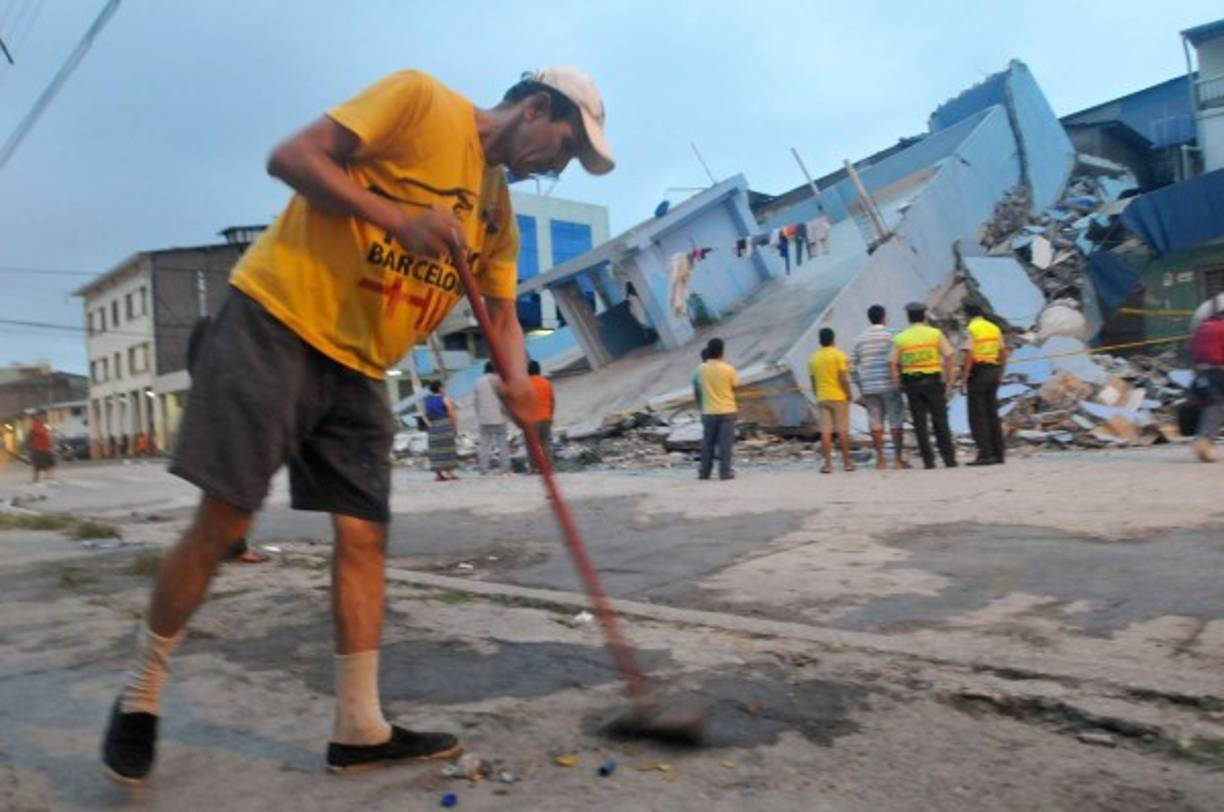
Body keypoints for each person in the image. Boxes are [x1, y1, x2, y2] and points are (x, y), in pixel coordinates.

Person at [102, 65, 614, 783]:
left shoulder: (495, 209)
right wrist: (399, 219)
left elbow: (499, 313)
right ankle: (142, 693)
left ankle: (358, 728)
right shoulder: (419, 102)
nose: (559, 166)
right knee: (224, 519)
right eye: (564, 147)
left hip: (361, 363)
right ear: (535, 108)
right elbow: (292, 158)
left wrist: (521, 380)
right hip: (277, 323)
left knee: (365, 534)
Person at [890, 303, 958, 470]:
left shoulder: (901, 337)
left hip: (912, 384)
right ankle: (949, 459)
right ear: (924, 316)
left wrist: (897, 383)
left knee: (920, 424)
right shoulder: (934, 334)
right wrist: (949, 380)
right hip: (934, 382)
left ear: (908, 317)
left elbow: (892, 363)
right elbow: (949, 356)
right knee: (940, 421)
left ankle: (929, 461)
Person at [853, 304, 908, 470]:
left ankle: (880, 460)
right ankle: (898, 460)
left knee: (875, 423)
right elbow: (901, 359)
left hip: (869, 387)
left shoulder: (860, 339)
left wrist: (860, 385)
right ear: (884, 317)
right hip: (890, 385)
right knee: (896, 421)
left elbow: (851, 366)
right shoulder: (893, 335)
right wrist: (900, 380)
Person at [960, 303, 1008, 466]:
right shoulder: (994, 328)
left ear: (968, 315)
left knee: (977, 415)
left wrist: (964, 378)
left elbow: (969, 355)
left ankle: (985, 454)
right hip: (993, 371)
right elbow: (1003, 352)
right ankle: (998, 453)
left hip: (978, 372)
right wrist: (1001, 372)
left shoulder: (972, 329)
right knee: (992, 413)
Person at [808, 328, 855, 474]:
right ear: (833, 339)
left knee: (826, 432)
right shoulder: (839, 355)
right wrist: (849, 394)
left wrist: (818, 395)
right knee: (842, 430)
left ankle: (827, 464)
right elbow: (843, 378)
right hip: (839, 397)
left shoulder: (813, 359)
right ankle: (847, 463)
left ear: (820, 341)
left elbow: (813, 381)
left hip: (823, 397)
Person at [697, 337, 738, 480]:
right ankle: (724, 472)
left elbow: (698, 387)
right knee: (725, 445)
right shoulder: (729, 369)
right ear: (722, 351)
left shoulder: (701, 369)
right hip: (727, 410)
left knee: (708, 443)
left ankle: (704, 472)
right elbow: (734, 387)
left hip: (709, 412)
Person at [1190, 294, 1224, 463]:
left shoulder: (1206, 307)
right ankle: (1204, 440)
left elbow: (1192, 338)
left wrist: (1196, 371)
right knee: (1218, 405)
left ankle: (1204, 440)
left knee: (1215, 404)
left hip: (1205, 367)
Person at [473, 362, 511, 474]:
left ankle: (483, 468)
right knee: (502, 443)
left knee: (484, 444)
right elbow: (505, 399)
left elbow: (476, 401)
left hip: (484, 419)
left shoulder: (478, 382)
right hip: (500, 417)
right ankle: (505, 467)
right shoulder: (500, 381)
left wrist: (480, 414)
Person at [423, 382, 459, 480]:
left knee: (435, 451)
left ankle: (438, 474)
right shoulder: (444, 398)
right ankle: (449, 473)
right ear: (439, 388)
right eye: (442, 387)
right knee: (447, 448)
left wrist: (429, 425)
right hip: (444, 425)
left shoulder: (427, 400)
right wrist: (455, 427)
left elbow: (425, 415)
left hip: (433, 427)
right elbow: (451, 413)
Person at [525, 360, 555, 471]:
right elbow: (552, 400)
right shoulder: (546, 382)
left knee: (532, 445)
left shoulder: (525, 383)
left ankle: (534, 467)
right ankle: (548, 467)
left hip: (532, 419)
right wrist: (550, 415)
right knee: (545, 442)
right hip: (546, 417)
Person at [27, 410, 54, 483]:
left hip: (45, 448)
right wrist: (46, 430)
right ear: (37, 416)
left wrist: (50, 443)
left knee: (49, 464)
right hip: (38, 448)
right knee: (37, 466)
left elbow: (47, 433)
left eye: (44, 416)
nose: (43, 418)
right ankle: (35, 480)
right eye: (41, 416)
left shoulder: (43, 425)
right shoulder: (35, 425)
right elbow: (38, 432)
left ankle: (48, 478)